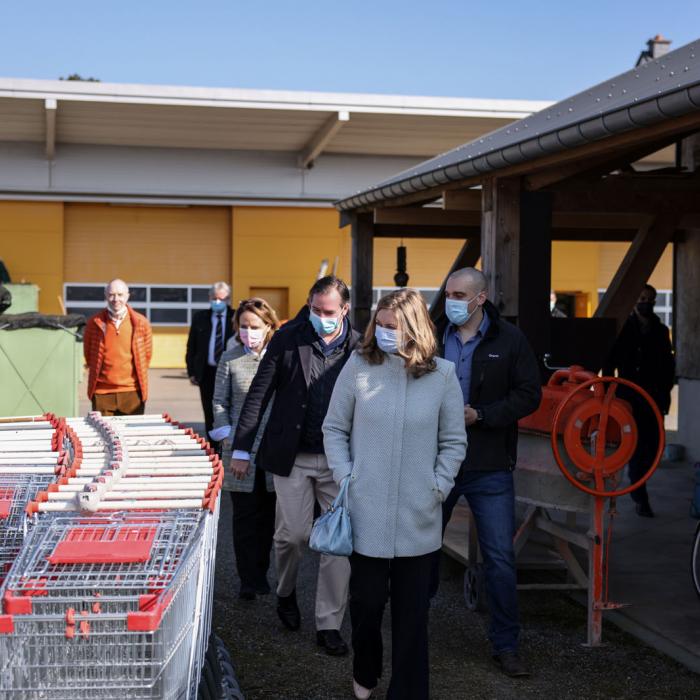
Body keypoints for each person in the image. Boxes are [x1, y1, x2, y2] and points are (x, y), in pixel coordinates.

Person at [323, 289, 466, 700]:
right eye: (380, 325)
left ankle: (407, 691)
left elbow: (454, 442)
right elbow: (335, 428)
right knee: (366, 607)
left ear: (415, 328)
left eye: (393, 327)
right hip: (365, 512)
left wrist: (438, 486)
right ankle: (366, 669)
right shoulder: (358, 365)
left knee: (412, 617)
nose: (385, 333)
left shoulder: (442, 375)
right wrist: (347, 477)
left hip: (419, 516)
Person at [231, 276, 360, 656]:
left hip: (339, 460)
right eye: (315, 309)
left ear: (345, 310)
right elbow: (259, 393)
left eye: (329, 312)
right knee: (292, 536)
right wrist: (242, 448)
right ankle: (286, 593)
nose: (321, 317)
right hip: (292, 457)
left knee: (337, 544)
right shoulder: (289, 338)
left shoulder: (359, 346)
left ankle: (329, 624)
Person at [433, 267, 542, 678]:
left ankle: (506, 645)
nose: (452, 301)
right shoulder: (433, 334)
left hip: (489, 464)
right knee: (421, 546)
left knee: (499, 557)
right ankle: (410, 630)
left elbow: (529, 394)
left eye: (460, 295)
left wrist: (482, 415)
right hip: (437, 461)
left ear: (481, 298)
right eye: (448, 294)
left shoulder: (509, 341)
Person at [211, 298, 281, 600]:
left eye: (254, 327)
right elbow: (219, 401)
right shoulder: (230, 358)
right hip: (239, 449)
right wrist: (226, 433)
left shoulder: (280, 357)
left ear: (269, 327)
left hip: (273, 448)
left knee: (267, 516)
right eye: (243, 326)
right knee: (243, 517)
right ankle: (247, 579)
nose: (248, 332)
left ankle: (261, 572)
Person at [603, 284, 675, 518]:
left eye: (650, 299)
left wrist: (665, 396)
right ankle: (640, 495)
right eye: (642, 298)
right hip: (629, 398)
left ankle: (639, 486)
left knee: (653, 447)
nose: (646, 302)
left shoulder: (661, 330)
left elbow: (667, 367)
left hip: (654, 398)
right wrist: (607, 392)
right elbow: (610, 362)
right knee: (634, 445)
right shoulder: (623, 329)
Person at [83, 278, 152, 415]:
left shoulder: (141, 323)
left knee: (132, 437)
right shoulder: (94, 323)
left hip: (132, 393)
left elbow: (146, 357)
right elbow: (89, 356)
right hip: (102, 393)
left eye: (120, 295)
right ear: (106, 296)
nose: (116, 299)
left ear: (127, 296)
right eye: (111, 294)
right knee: (101, 436)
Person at [186, 282, 235, 451]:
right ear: (209, 298)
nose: (217, 302)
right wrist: (191, 371)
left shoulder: (235, 317)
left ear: (228, 299)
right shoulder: (200, 317)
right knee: (209, 411)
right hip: (207, 372)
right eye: (214, 298)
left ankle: (228, 445)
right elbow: (191, 346)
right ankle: (214, 449)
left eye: (221, 299)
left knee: (227, 409)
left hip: (230, 373)